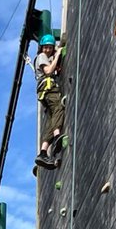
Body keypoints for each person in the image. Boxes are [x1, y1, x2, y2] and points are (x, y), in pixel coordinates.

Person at [33, 33, 66, 174]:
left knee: (52, 120)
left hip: (44, 92)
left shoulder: (48, 56)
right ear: (41, 48)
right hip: (48, 88)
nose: (47, 50)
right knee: (58, 108)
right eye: (45, 47)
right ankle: (58, 136)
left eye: (50, 47)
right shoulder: (41, 57)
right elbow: (48, 70)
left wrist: (59, 47)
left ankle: (43, 152)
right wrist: (58, 54)